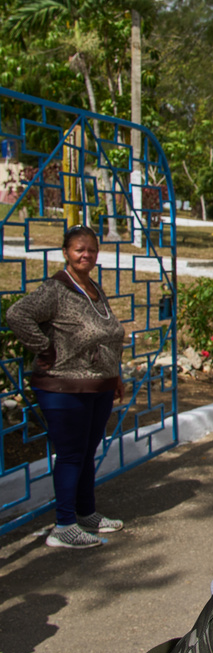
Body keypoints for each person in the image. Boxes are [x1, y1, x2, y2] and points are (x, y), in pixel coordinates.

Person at [7, 224, 126, 549]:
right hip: (64, 386)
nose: (85, 254)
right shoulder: (56, 289)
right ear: (66, 253)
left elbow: (107, 335)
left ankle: (85, 512)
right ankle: (63, 525)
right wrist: (46, 349)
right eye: (78, 249)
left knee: (87, 453)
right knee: (71, 455)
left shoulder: (92, 288)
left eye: (90, 249)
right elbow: (17, 314)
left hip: (98, 385)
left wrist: (114, 375)